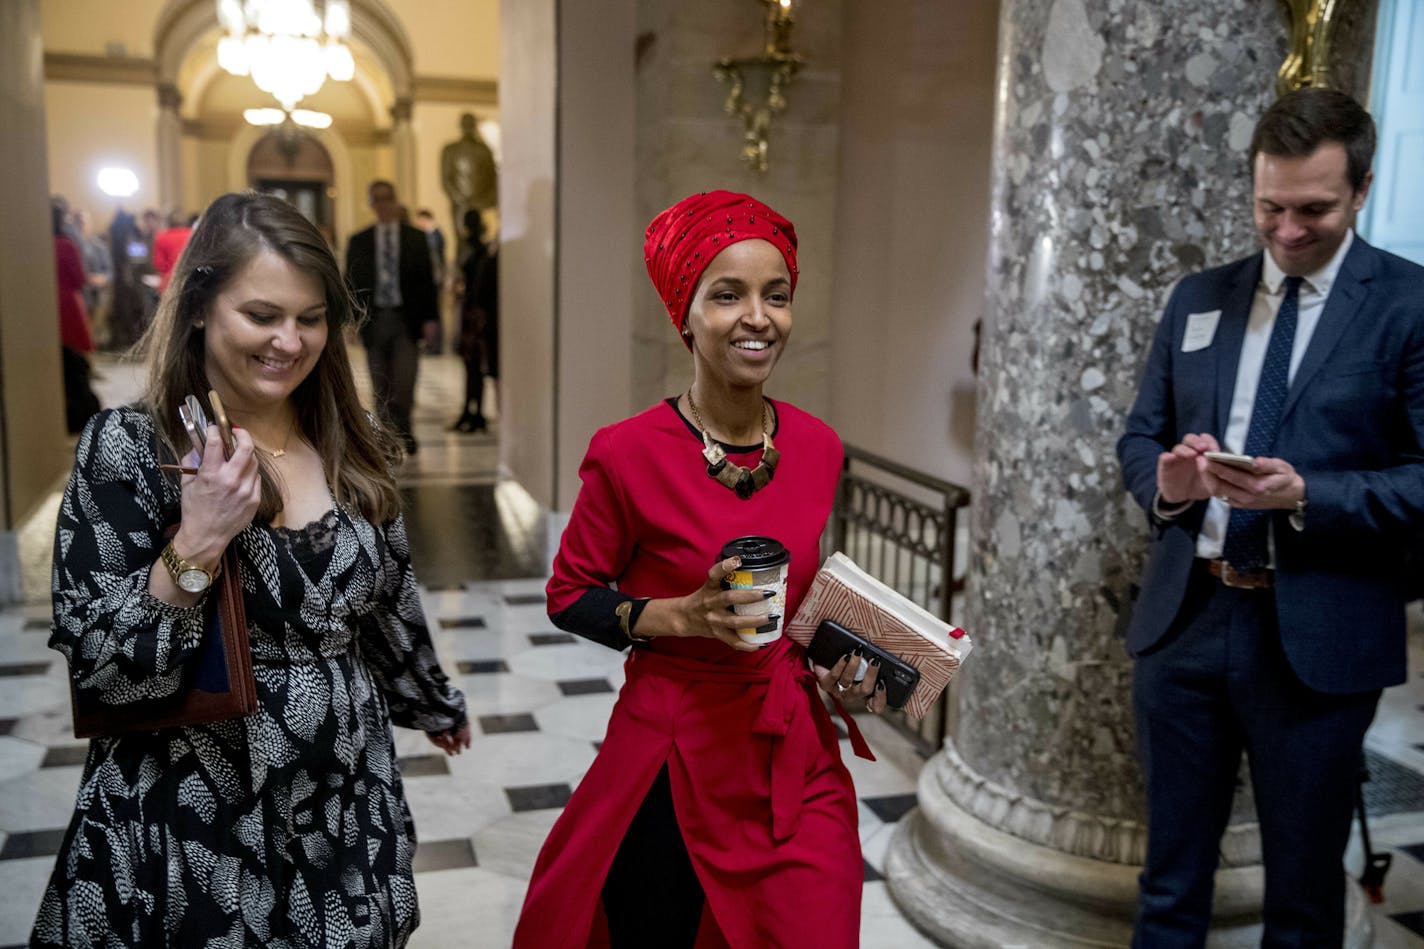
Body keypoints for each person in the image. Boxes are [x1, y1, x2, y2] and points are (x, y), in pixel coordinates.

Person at [34, 191, 471, 947]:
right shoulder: (131, 447)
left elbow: (388, 596)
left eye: (310, 318)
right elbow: (101, 661)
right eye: (263, 315)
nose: (289, 341)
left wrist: (430, 699)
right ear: (201, 305)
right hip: (196, 802)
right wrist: (199, 538)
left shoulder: (351, 438)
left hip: (341, 792)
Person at [513, 191, 887, 949]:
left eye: (775, 296)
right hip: (675, 745)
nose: (758, 316)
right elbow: (569, 594)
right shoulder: (627, 452)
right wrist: (679, 615)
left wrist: (842, 672)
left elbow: (805, 599)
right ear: (683, 314)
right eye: (729, 294)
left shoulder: (818, 445)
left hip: (791, 747)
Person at [1117, 87, 1424, 946]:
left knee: (1300, 895)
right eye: (1270, 207)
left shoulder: (1409, 305)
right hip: (1187, 620)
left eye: (1315, 210)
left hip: (1320, 637)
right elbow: (1140, 437)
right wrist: (1171, 482)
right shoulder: (1199, 298)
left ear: (1362, 190)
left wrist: (1308, 496)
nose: (1288, 231)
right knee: (1169, 881)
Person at [344, 180, 438, 454]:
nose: (384, 204)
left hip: (406, 318)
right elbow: (350, 283)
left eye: (388, 198)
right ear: (372, 204)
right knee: (379, 380)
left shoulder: (415, 239)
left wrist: (431, 319)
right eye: (378, 199)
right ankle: (384, 434)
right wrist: (350, 321)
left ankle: (405, 427)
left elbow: (426, 281)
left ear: (396, 201)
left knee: (405, 378)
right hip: (374, 319)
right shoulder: (360, 241)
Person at [51, 201, 101, 432]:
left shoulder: (35, 243)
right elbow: (79, 278)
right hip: (68, 303)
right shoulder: (65, 245)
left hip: (47, 304)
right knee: (77, 356)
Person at [451, 209, 497, 433]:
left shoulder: (470, 249)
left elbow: (468, 282)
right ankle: (472, 410)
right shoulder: (480, 248)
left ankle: (474, 411)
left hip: (473, 312)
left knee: (473, 364)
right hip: (474, 311)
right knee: (473, 365)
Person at [440, 112, 497, 261]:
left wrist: (484, 201)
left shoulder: (484, 150)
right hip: (460, 205)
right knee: (463, 244)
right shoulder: (451, 150)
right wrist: (461, 200)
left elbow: (492, 178)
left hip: (481, 204)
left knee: (482, 245)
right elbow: (447, 179)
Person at [152, 209, 195, 294]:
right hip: (190, 281)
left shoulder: (161, 237)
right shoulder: (193, 234)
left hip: (169, 284)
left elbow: (159, 264)